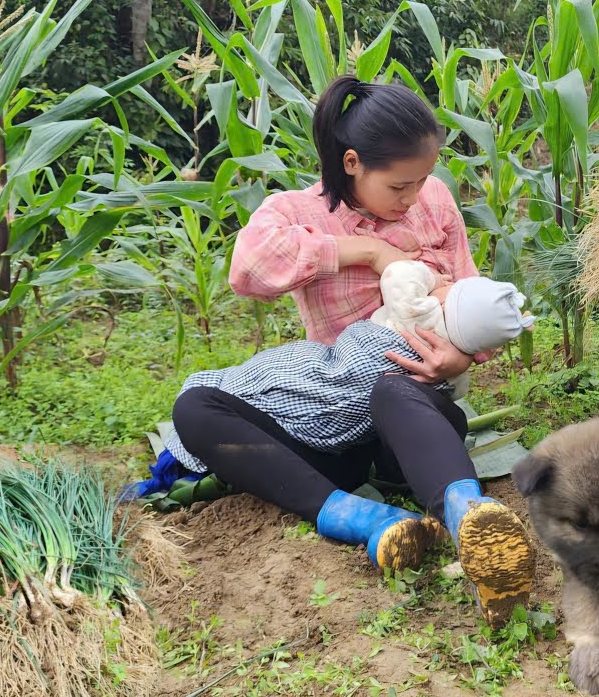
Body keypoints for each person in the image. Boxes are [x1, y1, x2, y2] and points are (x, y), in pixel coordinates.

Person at [162, 75, 536, 628]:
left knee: (392, 387)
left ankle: (471, 521)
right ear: (353, 162)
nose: (415, 197)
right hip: (327, 420)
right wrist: (367, 250)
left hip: (408, 427)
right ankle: (363, 520)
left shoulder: (434, 201)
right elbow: (247, 269)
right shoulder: (296, 211)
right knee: (193, 409)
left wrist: (461, 360)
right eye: (399, 186)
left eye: (423, 180)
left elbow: (473, 299)